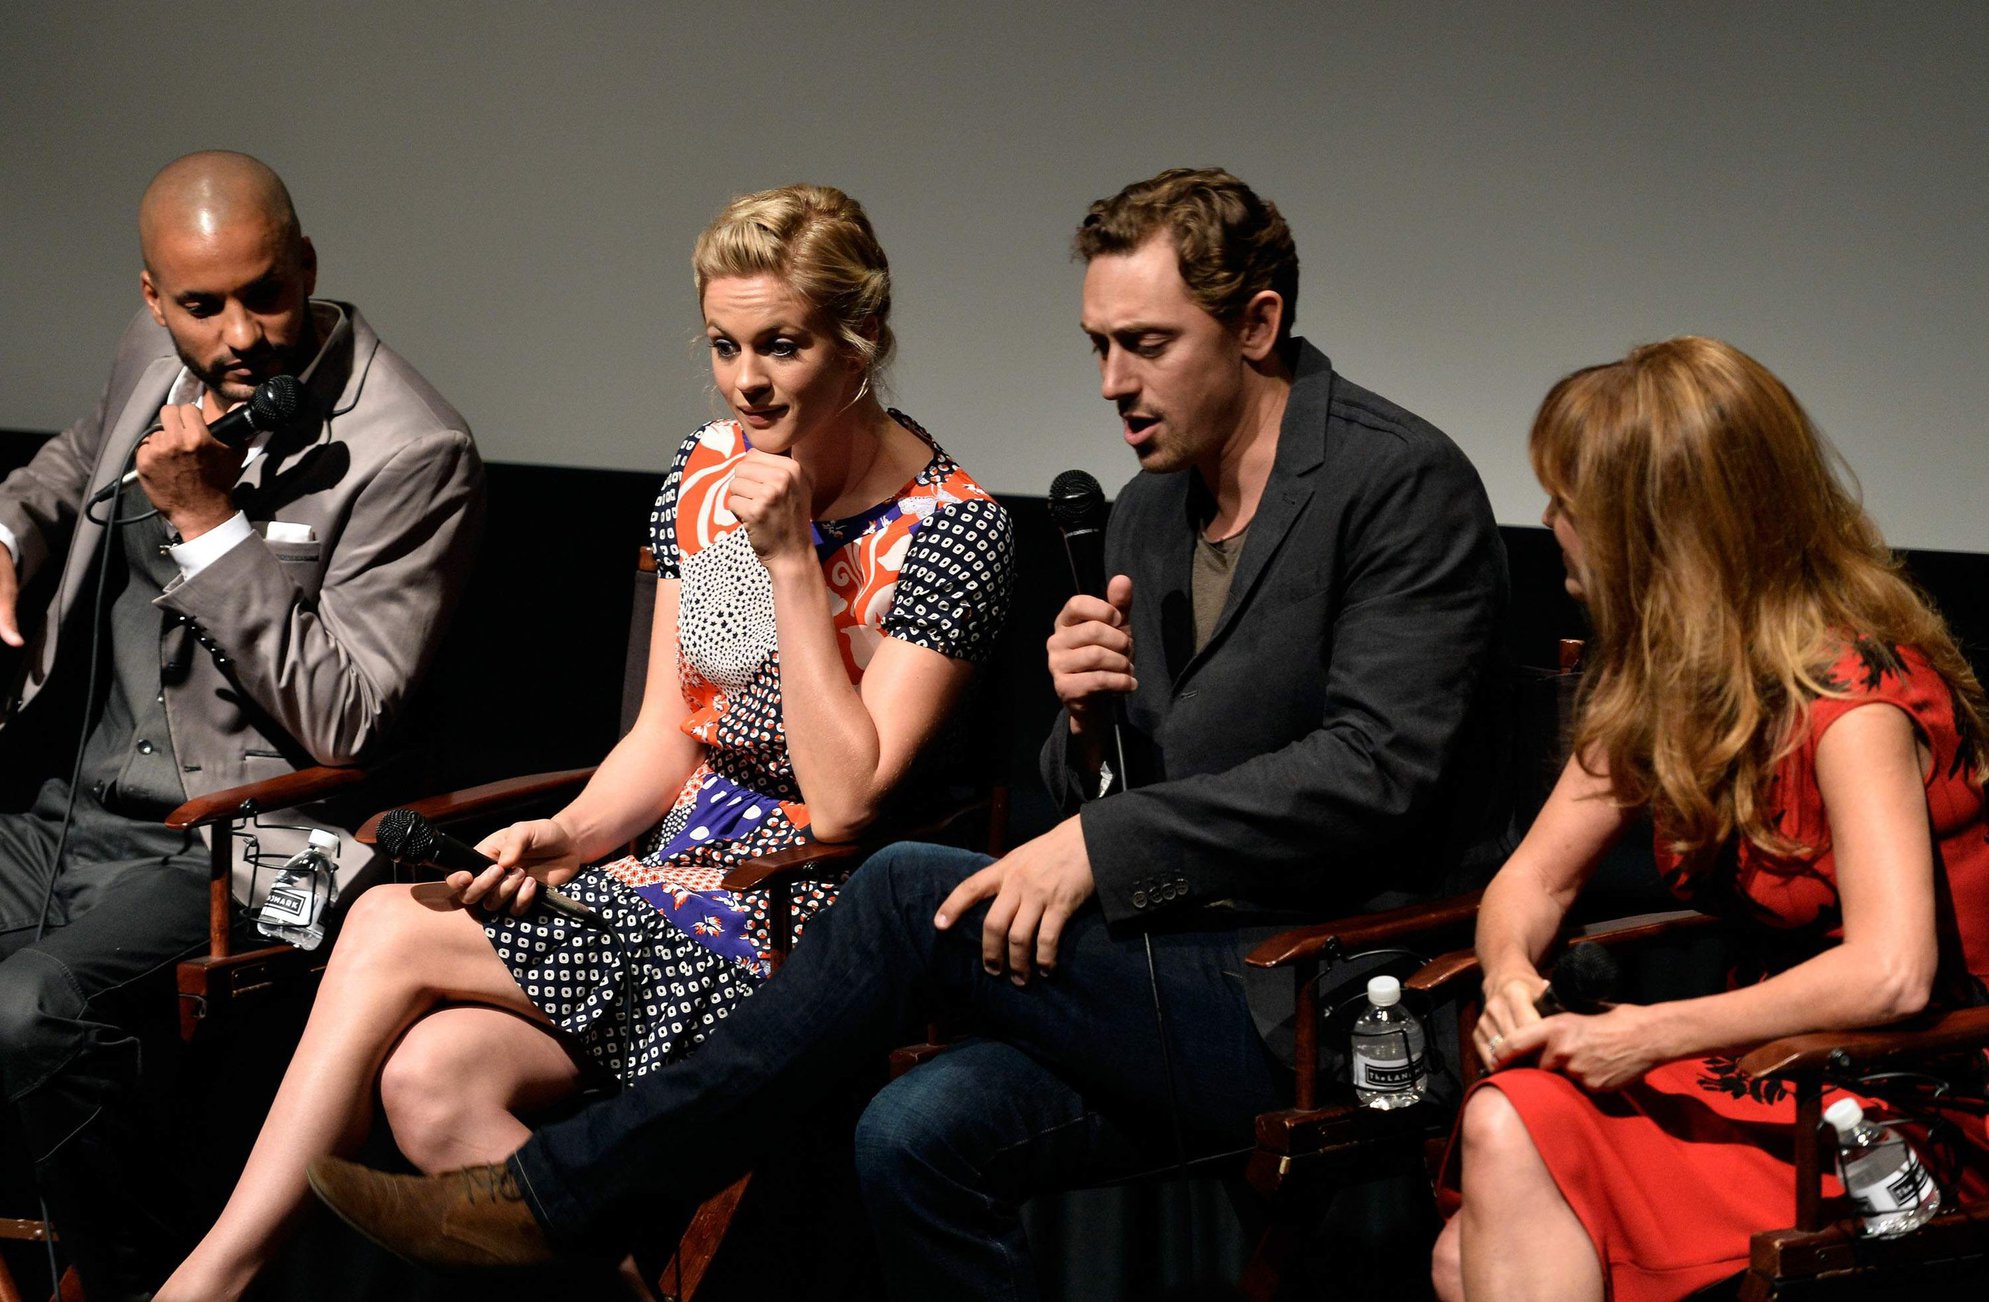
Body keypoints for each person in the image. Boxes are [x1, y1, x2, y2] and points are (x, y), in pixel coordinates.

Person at [304, 166, 1508, 1301]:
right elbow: (1107, 789)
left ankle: (566, 1196)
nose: (1110, 382)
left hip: (1321, 999)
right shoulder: (1145, 512)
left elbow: (1377, 772)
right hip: (1151, 972)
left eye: (1147, 344)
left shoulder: (1399, 485)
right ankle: (579, 1202)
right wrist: (1087, 729)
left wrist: (1104, 840)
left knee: (894, 891)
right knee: (908, 1134)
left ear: (1254, 325)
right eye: (1098, 345)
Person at [159, 182, 1014, 1301]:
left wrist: (795, 560)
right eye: (725, 345)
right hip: (671, 877)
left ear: (863, 343)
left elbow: (849, 801)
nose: (748, 381)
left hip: (812, 923)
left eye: (783, 347)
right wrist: (565, 835)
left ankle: (213, 1282)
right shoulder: (705, 472)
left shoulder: (956, 530)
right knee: (429, 1081)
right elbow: (669, 734)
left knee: (379, 921)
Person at [0, 150, 483, 1300]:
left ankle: (144, 1279)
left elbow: (348, 720)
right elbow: (70, 465)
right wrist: (6, 532)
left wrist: (215, 531)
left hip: (278, 844)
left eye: (265, 295)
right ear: (154, 297)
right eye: (201, 305)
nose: (241, 335)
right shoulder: (149, 354)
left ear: (308, 266)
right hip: (83, 813)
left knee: (29, 1010)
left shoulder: (415, 450)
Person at [1431, 337, 1989, 1302]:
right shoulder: (1673, 684)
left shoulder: (1848, 699)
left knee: (1497, 1174)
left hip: (1911, 1098)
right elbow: (1530, 882)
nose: (1550, 523)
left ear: (1653, 531)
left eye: (1571, 502)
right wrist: (1513, 974)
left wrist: (1650, 1034)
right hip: (1771, 1071)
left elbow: (1892, 975)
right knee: (1481, 1208)